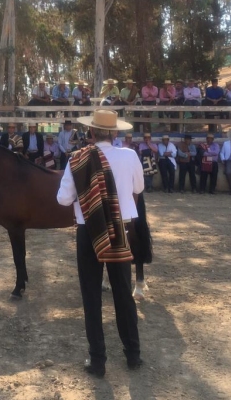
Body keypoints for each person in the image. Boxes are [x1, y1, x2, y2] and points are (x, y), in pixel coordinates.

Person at [56, 109, 145, 378]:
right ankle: (133, 355)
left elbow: (62, 199)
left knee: (91, 295)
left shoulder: (78, 159)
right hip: (122, 229)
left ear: (91, 133)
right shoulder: (130, 155)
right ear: (116, 133)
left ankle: (97, 361)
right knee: (123, 292)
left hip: (90, 230)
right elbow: (138, 188)